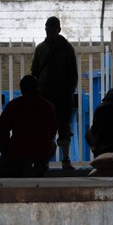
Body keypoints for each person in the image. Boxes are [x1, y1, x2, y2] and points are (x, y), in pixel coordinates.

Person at [31, 16, 78, 170]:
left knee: (46, 128)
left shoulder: (41, 49)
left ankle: (44, 160)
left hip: (48, 95)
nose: (48, 30)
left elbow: (35, 72)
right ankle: (65, 159)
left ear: (57, 29)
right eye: (47, 27)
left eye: (49, 27)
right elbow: (73, 75)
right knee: (63, 127)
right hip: (62, 95)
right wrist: (69, 92)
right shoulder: (67, 48)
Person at [0, 75, 57, 177]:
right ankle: (40, 165)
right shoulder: (48, 106)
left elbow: (2, 128)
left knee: (1, 171)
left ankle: (22, 167)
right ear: (37, 87)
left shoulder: (14, 105)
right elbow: (53, 132)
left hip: (18, 148)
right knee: (52, 145)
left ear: (22, 89)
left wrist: (4, 146)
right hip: (41, 148)